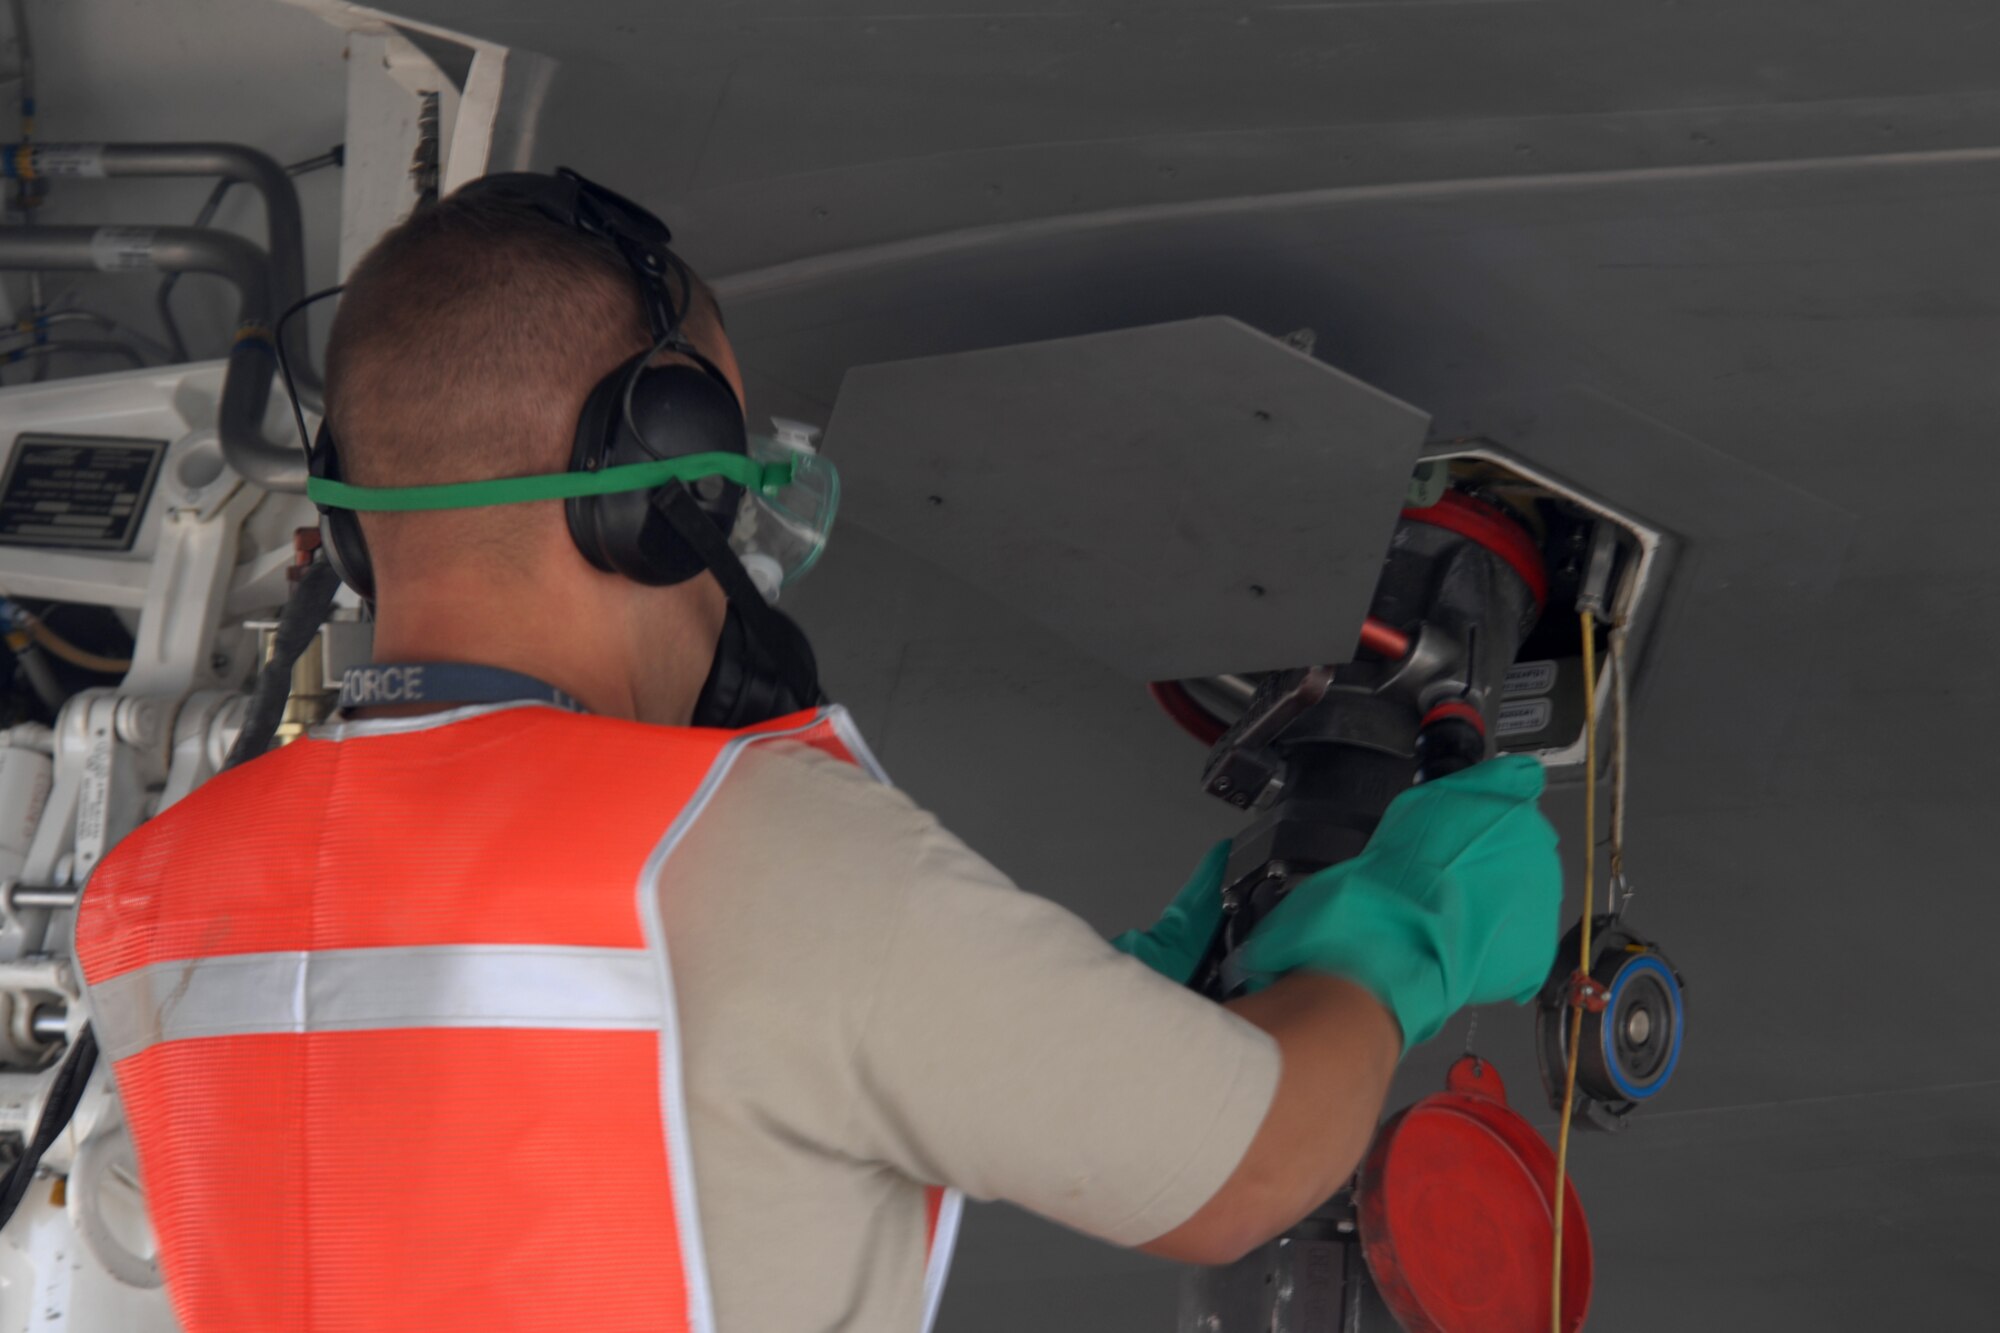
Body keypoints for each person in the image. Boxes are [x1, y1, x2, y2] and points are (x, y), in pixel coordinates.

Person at [74, 171, 1561, 1333]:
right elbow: (1252, 1168)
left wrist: (1016, 1020)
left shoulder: (152, 907)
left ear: (346, 518)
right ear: (647, 496)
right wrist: (1401, 938)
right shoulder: (745, 853)